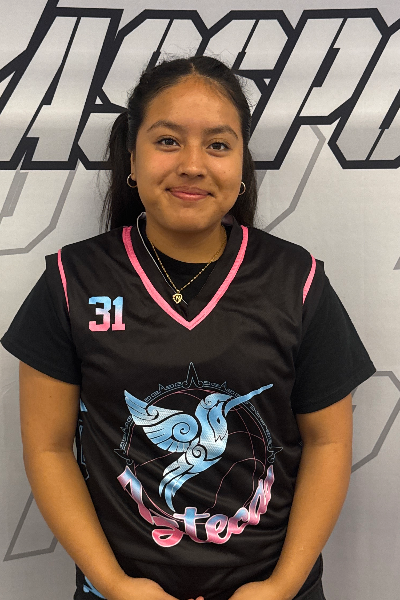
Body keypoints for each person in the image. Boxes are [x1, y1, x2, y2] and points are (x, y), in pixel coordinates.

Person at [1, 56, 375, 600]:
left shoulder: (297, 281)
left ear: (242, 164)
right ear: (132, 158)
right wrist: (114, 584)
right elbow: (49, 448)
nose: (193, 164)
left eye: (218, 145)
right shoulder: (71, 281)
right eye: (168, 141)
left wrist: (280, 587)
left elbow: (329, 441)